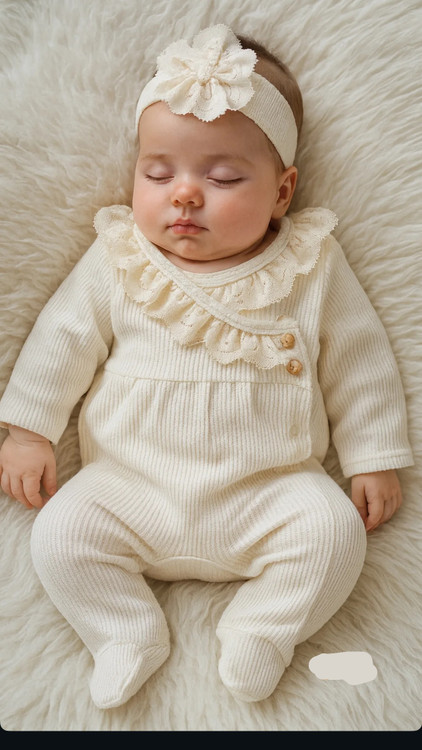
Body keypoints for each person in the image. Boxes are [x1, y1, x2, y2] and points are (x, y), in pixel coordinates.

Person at [0, 25, 413, 709]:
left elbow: (359, 359)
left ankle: (262, 629)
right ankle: (123, 630)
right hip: (128, 488)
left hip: (269, 491)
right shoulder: (120, 259)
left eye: (222, 178)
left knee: (334, 535)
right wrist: (28, 431)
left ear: (282, 192)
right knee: (62, 534)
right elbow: (61, 339)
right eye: (158, 174)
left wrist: (373, 457)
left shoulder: (311, 265)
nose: (185, 195)